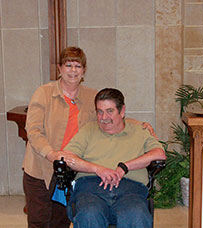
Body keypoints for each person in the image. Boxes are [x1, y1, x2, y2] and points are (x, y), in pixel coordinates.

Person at [22, 47, 156, 228]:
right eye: (68, 65)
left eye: (77, 66)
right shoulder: (44, 93)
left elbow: (107, 116)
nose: (73, 70)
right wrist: (51, 154)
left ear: (84, 70)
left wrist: (139, 124)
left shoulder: (91, 95)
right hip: (42, 167)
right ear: (60, 68)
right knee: (40, 220)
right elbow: (33, 130)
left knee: (62, 220)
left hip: (72, 168)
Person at [53, 88, 166, 228]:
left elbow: (160, 154)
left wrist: (124, 167)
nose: (104, 117)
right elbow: (65, 156)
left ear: (122, 111)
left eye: (109, 111)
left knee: (136, 215)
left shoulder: (139, 131)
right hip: (91, 190)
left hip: (130, 191)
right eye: (99, 111)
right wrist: (97, 169)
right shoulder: (88, 130)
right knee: (89, 214)